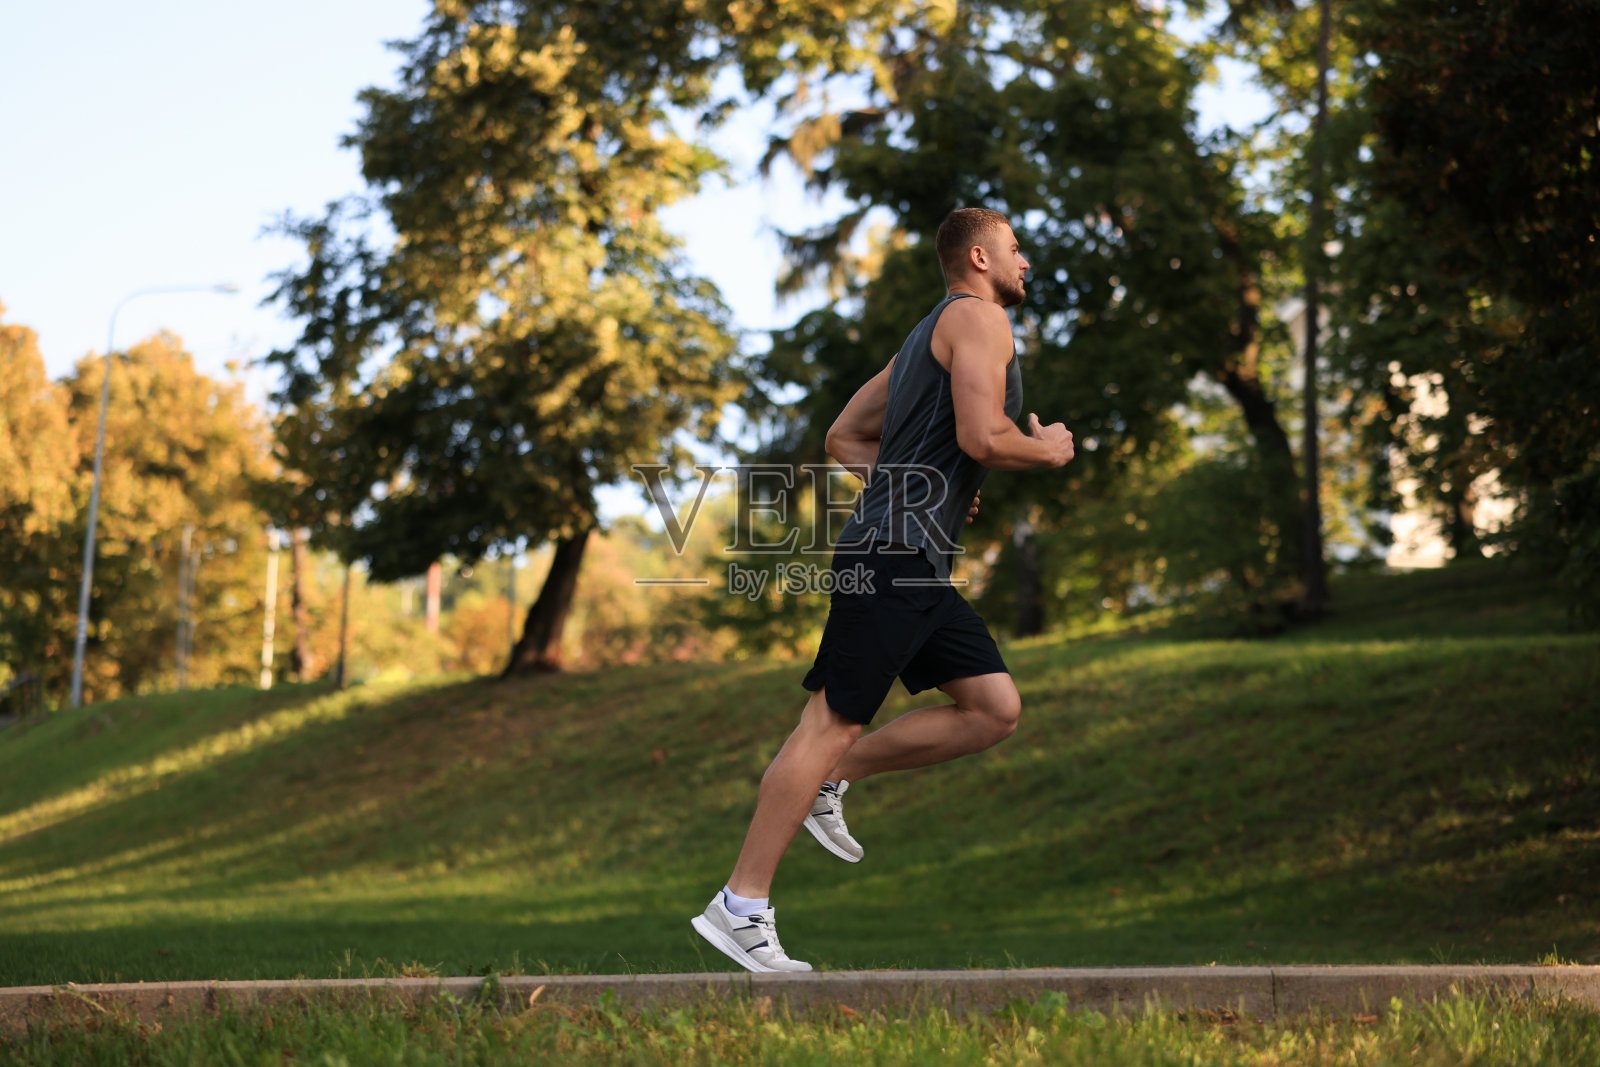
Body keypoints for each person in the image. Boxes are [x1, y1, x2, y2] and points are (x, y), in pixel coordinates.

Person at [691, 207, 1076, 972]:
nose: (1024, 261)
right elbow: (982, 437)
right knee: (828, 721)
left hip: (917, 559)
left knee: (994, 707)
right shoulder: (981, 321)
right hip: (892, 555)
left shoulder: (925, 335)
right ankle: (740, 905)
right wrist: (1046, 448)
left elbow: (844, 435)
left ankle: (840, 777)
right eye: (1014, 248)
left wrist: (918, 481)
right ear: (978, 256)